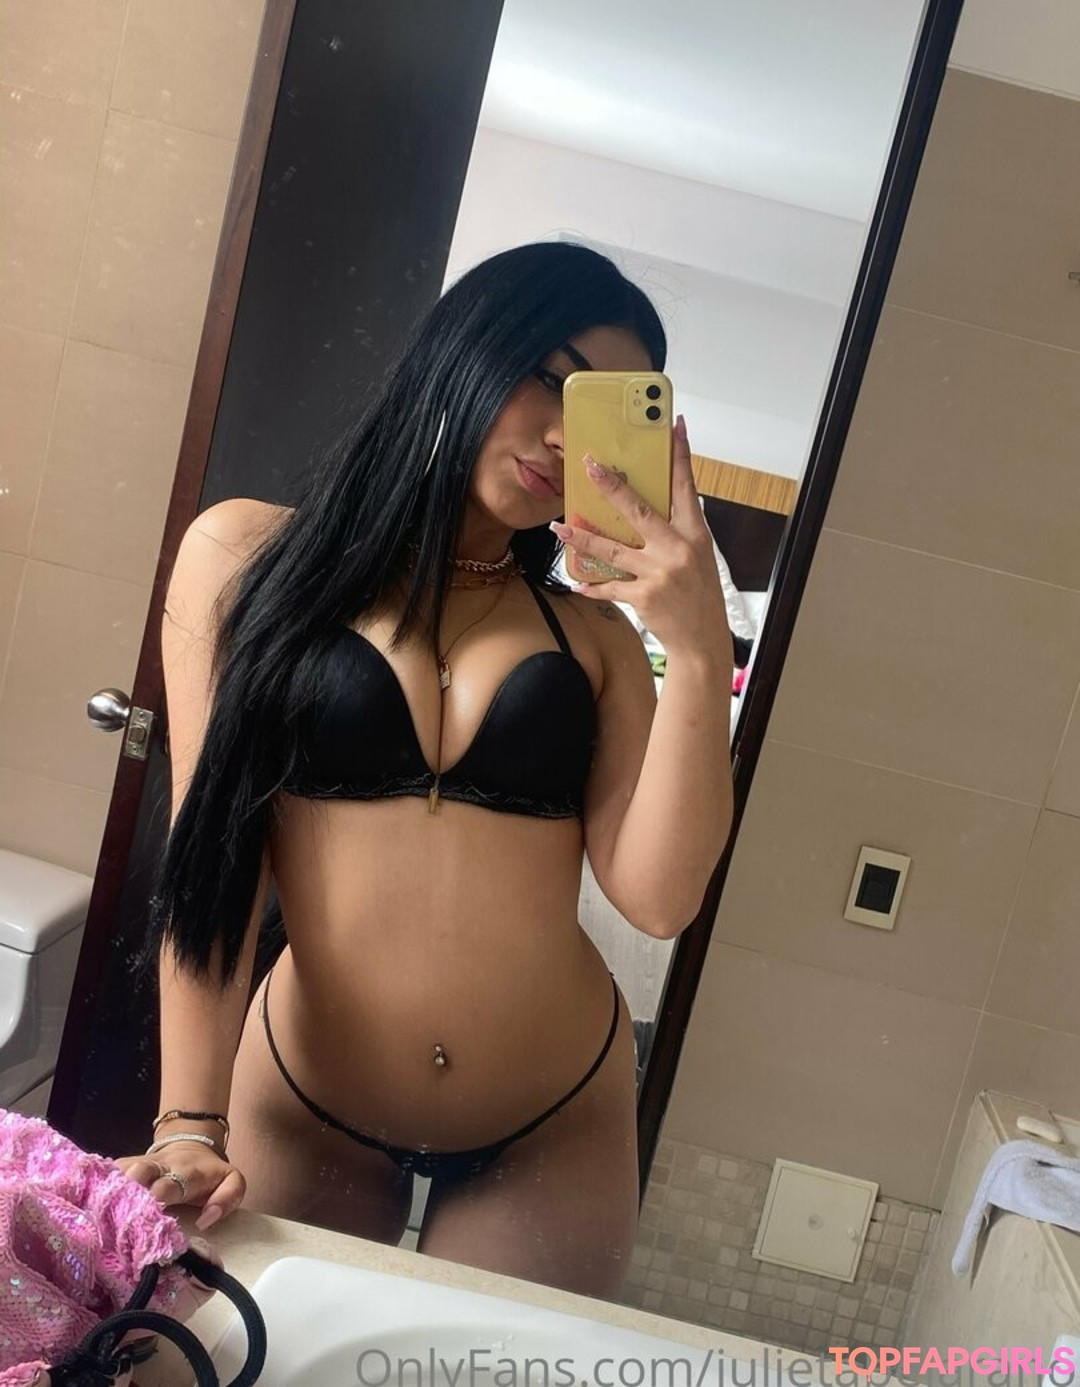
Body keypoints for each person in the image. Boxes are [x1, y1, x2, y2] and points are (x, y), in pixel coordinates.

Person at [118, 242, 734, 1296]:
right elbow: (212, 855)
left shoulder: (596, 638)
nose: (561, 436)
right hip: (306, 1097)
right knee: (249, 1362)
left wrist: (702, 645)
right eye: (550, 376)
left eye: (596, 412)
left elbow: (661, 898)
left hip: (550, 1123)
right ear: (466, 343)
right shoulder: (246, 558)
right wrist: (188, 1120)